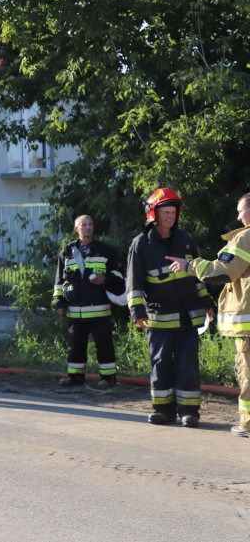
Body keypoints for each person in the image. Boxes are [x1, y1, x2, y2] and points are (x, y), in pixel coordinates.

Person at [166, 192, 250, 439]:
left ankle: (247, 424)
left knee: (248, 374)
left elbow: (223, 272)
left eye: (241, 210)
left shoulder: (246, 238)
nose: (238, 215)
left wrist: (189, 265)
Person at [127, 188, 213, 427]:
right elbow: (133, 283)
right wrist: (137, 312)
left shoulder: (184, 239)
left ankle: (189, 412)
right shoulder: (141, 244)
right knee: (161, 363)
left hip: (187, 317)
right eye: (165, 212)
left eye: (173, 212)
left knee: (188, 364)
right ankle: (163, 410)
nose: (170, 217)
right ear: (153, 213)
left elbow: (197, 275)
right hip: (158, 317)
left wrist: (206, 303)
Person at [52, 215, 126, 388]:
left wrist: (104, 278)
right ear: (76, 229)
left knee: (104, 346)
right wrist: (59, 303)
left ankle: (108, 379)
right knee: (75, 346)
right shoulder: (67, 251)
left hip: (100, 311)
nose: (87, 227)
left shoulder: (105, 250)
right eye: (83, 225)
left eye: (90, 224)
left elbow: (119, 276)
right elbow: (59, 281)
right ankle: (75, 377)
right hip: (74, 310)